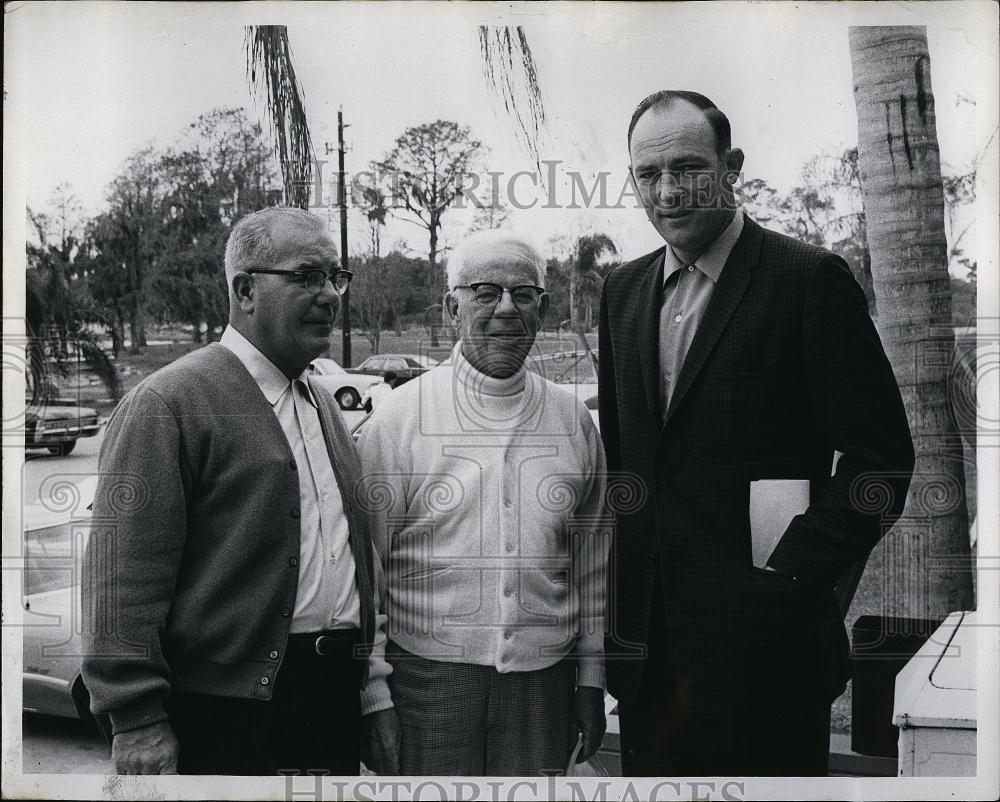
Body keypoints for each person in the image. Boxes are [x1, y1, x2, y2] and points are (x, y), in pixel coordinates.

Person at [598, 91, 915, 776]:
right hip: (648, 667)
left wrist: (790, 575)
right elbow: (627, 464)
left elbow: (880, 465)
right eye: (648, 175)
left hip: (767, 662)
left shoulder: (807, 281)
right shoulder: (620, 293)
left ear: (732, 166)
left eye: (688, 168)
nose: (669, 191)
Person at [82, 207, 400, 776]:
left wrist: (371, 696)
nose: (330, 295)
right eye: (306, 276)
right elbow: (121, 578)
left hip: (327, 701)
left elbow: (357, 568)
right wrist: (136, 718)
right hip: (222, 717)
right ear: (245, 289)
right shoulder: (168, 403)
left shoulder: (323, 403)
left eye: (336, 277)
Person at [357, 230, 610, 776]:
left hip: (543, 685)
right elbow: (365, 574)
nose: (505, 309)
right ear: (452, 307)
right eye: (484, 292)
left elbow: (593, 566)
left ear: (541, 309)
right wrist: (374, 697)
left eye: (522, 295)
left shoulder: (573, 422)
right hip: (428, 682)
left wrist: (590, 681)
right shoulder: (401, 419)